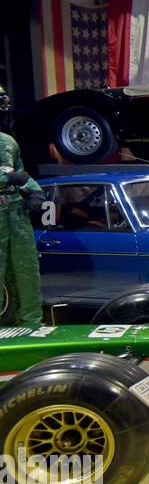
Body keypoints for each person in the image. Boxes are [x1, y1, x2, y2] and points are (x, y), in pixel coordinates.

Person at [0, 92, 44, 327]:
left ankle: (32, 325)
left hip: (16, 213)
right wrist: (7, 179)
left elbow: (22, 173)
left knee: (26, 270)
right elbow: (13, 175)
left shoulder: (8, 141)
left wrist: (35, 191)